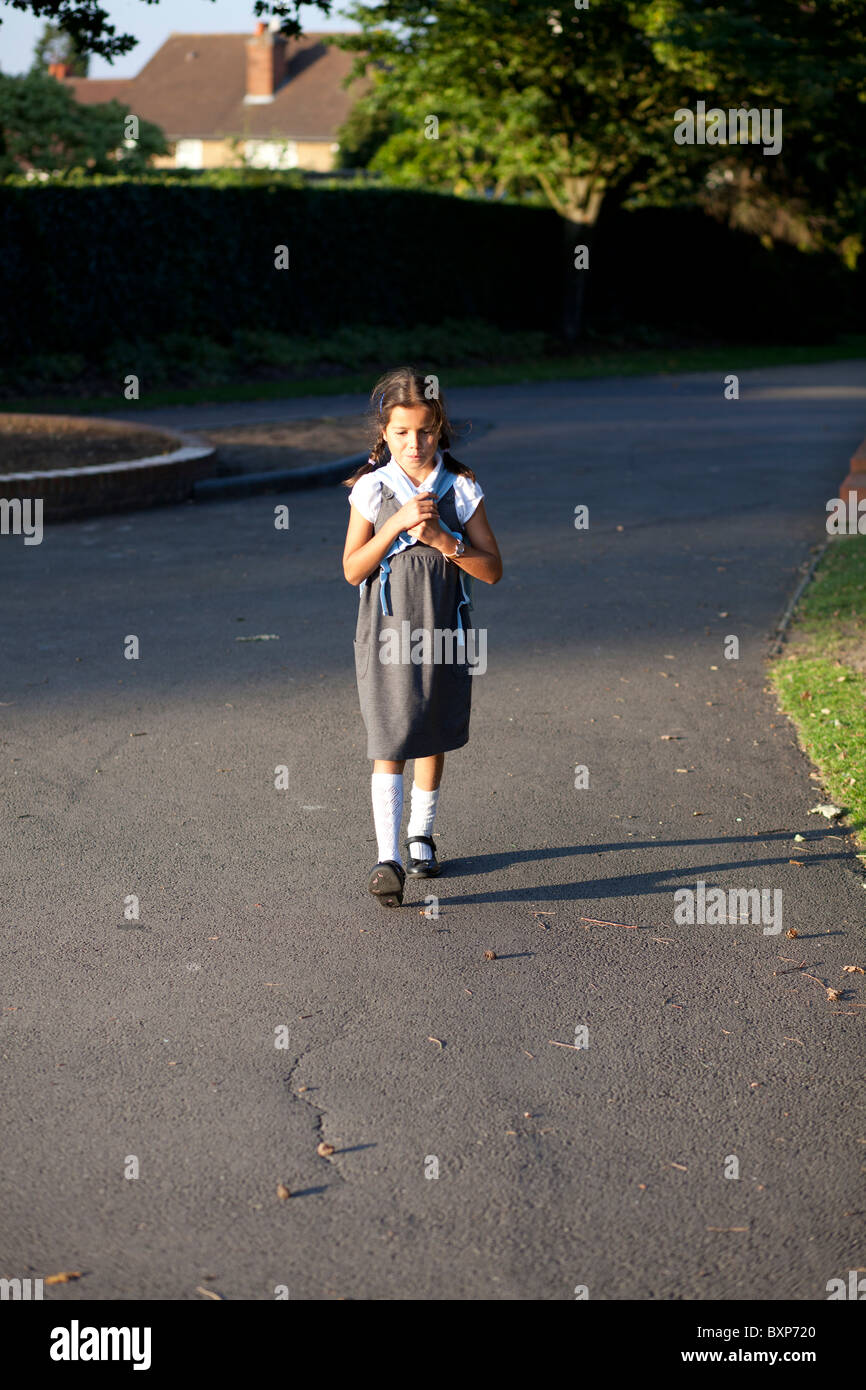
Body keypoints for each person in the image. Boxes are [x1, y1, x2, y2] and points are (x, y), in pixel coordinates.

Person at [342, 367, 503, 906]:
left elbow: (492, 570)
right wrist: (393, 525)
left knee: (432, 730)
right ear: (384, 434)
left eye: (426, 431)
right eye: (402, 433)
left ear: (441, 429)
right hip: (385, 632)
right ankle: (387, 857)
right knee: (389, 736)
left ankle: (420, 836)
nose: (415, 444)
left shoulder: (460, 488)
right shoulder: (372, 489)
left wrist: (442, 538)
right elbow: (352, 569)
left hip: (445, 631)